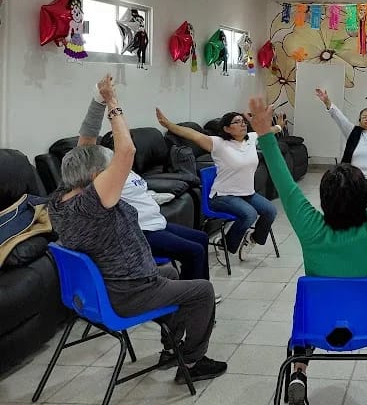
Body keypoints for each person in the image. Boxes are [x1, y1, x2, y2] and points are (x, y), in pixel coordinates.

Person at [248, 90, 367, 405]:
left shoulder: (310, 227)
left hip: (320, 323)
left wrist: (265, 133)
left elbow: (284, 182)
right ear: (366, 196)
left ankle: (299, 369)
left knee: (306, 305)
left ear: (323, 199)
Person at [48, 75, 227, 384]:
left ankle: (173, 346)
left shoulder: (62, 198)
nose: (113, 172)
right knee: (202, 291)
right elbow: (126, 152)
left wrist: (99, 99)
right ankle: (194, 361)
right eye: (107, 170)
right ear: (96, 176)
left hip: (109, 284)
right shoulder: (93, 203)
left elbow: (86, 144)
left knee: (171, 274)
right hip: (128, 291)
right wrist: (115, 106)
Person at [77, 82, 215, 290]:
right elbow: (87, 141)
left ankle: (195, 292)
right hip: (140, 232)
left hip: (156, 222)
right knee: (194, 250)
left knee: (201, 238)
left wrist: (156, 196)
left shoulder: (127, 170)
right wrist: (105, 102)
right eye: (123, 143)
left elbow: (137, 193)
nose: (129, 146)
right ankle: (194, 297)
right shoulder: (103, 176)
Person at [156, 108, 278, 261]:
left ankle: (252, 239)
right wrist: (168, 124)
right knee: (249, 214)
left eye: (243, 121)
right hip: (223, 196)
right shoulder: (218, 143)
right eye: (237, 122)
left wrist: (279, 126)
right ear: (227, 128)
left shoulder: (251, 138)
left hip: (247, 194)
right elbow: (192, 134)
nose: (242, 124)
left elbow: (269, 131)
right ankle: (224, 244)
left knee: (271, 211)